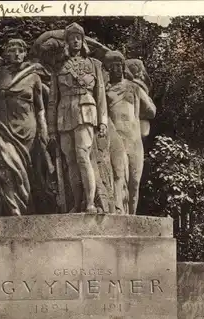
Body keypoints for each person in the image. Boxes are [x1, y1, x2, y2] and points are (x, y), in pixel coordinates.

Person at [47, 23, 108, 214]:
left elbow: (100, 95)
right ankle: (78, 202)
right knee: (71, 160)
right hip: (64, 115)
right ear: (66, 41)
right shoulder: (59, 67)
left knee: (83, 155)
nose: (76, 41)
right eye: (72, 37)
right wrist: (50, 128)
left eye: (79, 38)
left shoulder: (94, 65)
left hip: (86, 112)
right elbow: (52, 100)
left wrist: (103, 121)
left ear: (83, 41)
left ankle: (90, 202)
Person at [0, 38, 49, 215]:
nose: (16, 54)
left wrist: (43, 128)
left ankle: (25, 206)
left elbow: (40, 108)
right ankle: (14, 210)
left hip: (27, 128)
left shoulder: (34, 76)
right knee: (7, 165)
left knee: (24, 170)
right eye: (12, 50)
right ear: (6, 53)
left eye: (20, 51)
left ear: (25, 53)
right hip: (3, 126)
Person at [104, 50, 156, 215]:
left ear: (123, 67)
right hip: (116, 139)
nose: (116, 69)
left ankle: (132, 216)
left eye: (118, 65)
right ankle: (120, 214)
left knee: (134, 182)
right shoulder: (105, 91)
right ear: (108, 69)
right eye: (112, 67)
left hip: (134, 139)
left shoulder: (133, 88)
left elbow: (151, 111)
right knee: (119, 177)